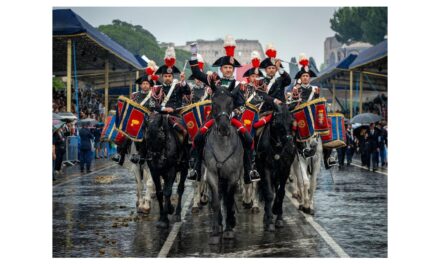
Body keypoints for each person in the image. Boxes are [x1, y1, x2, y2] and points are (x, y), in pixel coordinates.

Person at [187, 35, 260, 183]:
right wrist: (194, 54)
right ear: (221, 69)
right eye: (225, 67)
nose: (228, 70)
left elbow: (242, 104)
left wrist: (232, 113)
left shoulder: (240, 84)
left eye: (230, 68)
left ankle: (249, 170)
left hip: (232, 118)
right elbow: (196, 73)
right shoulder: (214, 81)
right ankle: (195, 168)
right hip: (214, 118)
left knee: (248, 140)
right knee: (198, 137)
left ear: (233, 70)